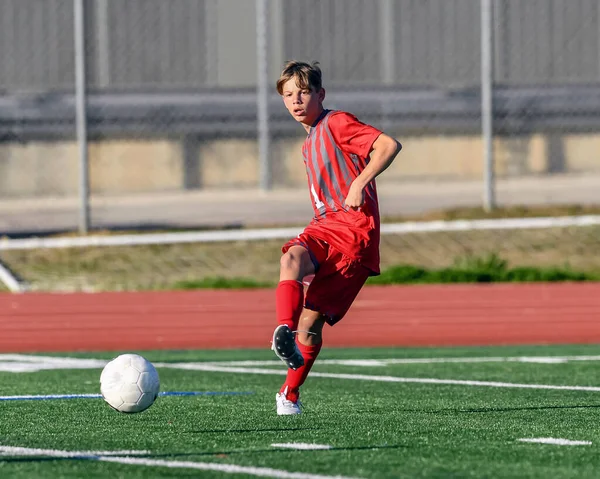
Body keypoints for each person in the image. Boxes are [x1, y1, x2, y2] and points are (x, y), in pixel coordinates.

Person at [271, 61, 402, 415]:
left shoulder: (336, 123)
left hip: (356, 237)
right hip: (324, 226)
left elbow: (388, 145)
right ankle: (282, 331)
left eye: (303, 92)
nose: (296, 100)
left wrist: (360, 182)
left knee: (311, 324)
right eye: (288, 95)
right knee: (290, 259)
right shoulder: (309, 141)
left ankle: (290, 393)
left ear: (320, 95)